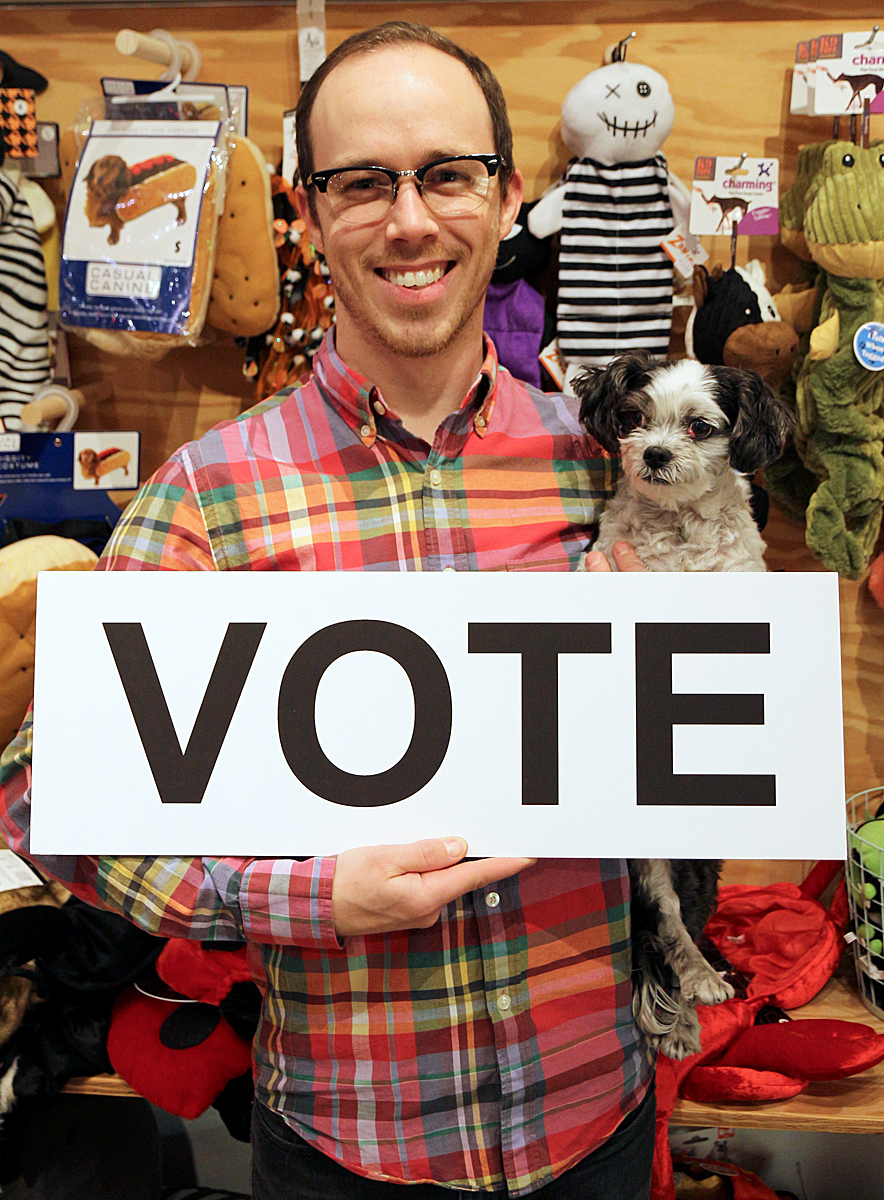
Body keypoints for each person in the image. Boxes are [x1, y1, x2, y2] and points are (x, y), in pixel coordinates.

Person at [0, 21, 655, 1200]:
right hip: (348, 1151)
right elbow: (40, 798)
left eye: (448, 174)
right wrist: (296, 898)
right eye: (363, 184)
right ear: (307, 214)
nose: (410, 221)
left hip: (597, 1125)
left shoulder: (608, 471)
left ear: (507, 197)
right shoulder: (207, 496)